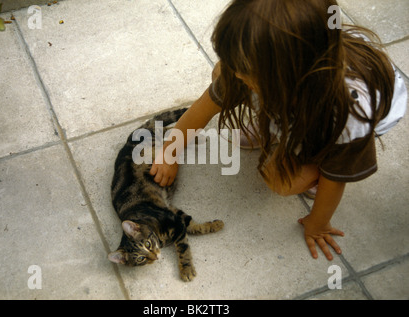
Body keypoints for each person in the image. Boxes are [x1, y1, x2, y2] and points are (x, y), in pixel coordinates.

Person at [149, 0, 407, 261]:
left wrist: (318, 222)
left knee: (281, 180)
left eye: (246, 70)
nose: (237, 73)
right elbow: (205, 108)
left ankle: (303, 158)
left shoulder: (347, 116)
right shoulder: (264, 62)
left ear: (289, 73)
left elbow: (337, 176)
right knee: (221, 75)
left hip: (340, 120)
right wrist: (171, 151)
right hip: (296, 92)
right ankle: (274, 126)